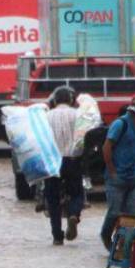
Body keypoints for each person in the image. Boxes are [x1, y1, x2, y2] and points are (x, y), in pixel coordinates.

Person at [101, 96, 135, 250]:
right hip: (117, 177)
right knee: (114, 212)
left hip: (134, 178)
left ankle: (123, 246)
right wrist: (112, 171)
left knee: (130, 215)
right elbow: (106, 147)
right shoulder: (120, 124)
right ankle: (106, 235)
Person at [43, 87, 85, 244]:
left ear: (54, 101)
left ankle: (57, 236)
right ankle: (73, 214)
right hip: (72, 160)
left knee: (52, 198)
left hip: (53, 161)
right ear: (71, 100)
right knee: (76, 192)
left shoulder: (46, 116)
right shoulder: (78, 114)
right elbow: (83, 137)